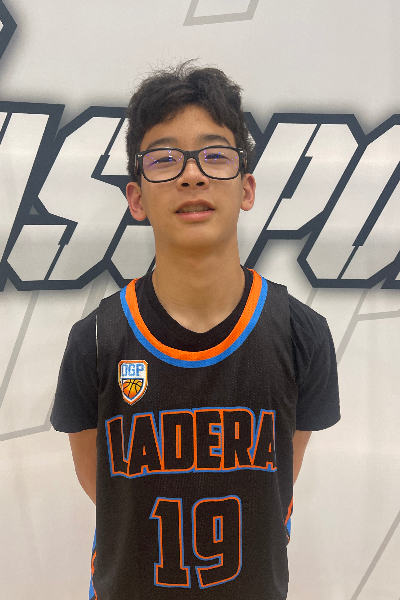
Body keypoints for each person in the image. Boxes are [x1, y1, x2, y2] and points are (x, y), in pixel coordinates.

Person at [50, 60, 340, 600]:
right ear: (136, 198)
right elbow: (105, 490)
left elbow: (278, 480)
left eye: (214, 155)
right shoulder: (96, 341)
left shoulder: (301, 334)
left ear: (246, 188)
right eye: (164, 159)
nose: (192, 175)